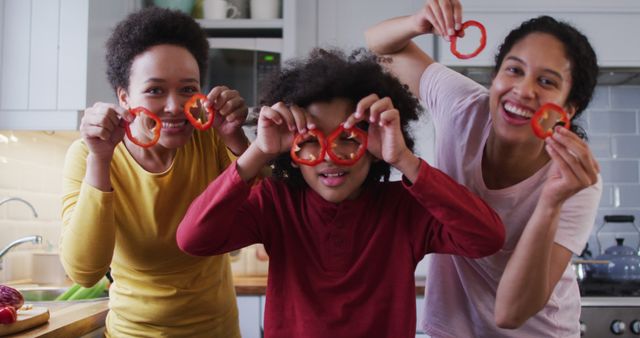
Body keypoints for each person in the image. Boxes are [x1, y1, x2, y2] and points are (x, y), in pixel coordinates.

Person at [176, 48, 506, 338]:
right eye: (311, 139)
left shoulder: (405, 208)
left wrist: (404, 159)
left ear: (374, 145)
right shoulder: (276, 202)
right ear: (292, 149)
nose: (331, 156)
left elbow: (486, 238)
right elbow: (193, 238)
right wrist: (259, 151)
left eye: (348, 138)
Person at [366, 1, 602, 337]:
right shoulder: (463, 106)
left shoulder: (577, 182)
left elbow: (510, 313)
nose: (523, 90)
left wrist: (551, 202)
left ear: (568, 109)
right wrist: (417, 22)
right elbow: (381, 46)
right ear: (495, 77)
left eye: (547, 82)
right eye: (514, 70)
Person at [60, 7, 249, 337]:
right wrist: (100, 160)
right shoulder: (88, 156)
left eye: (188, 89)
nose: (175, 106)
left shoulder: (213, 140)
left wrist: (237, 139)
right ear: (124, 96)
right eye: (155, 90)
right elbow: (84, 271)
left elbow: (271, 217)